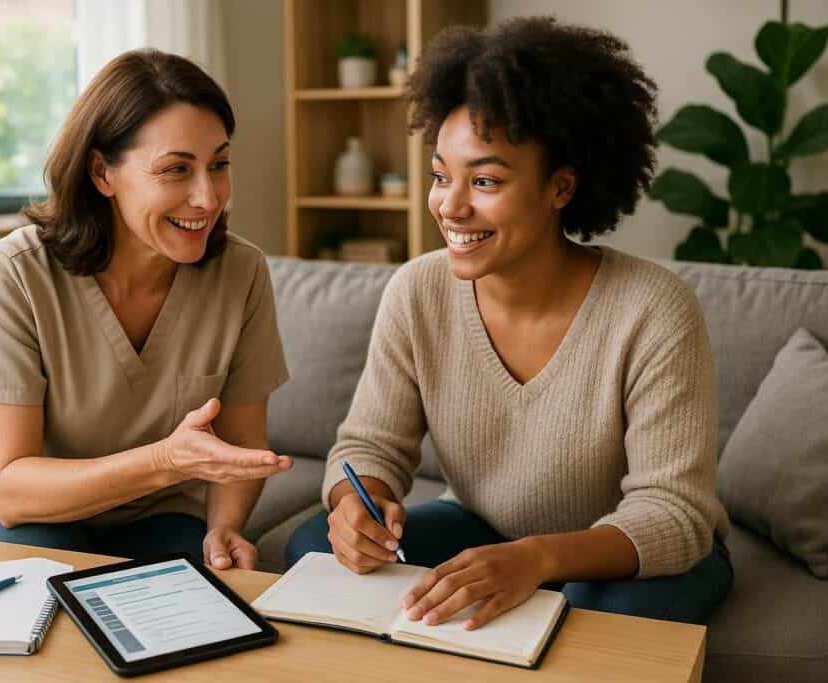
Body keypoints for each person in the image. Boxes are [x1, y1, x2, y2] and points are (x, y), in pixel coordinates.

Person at [286, 17, 733, 628]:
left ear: (561, 187)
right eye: (442, 175)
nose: (450, 205)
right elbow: (369, 446)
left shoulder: (654, 309)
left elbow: (674, 513)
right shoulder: (417, 291)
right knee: (313, 549)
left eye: (486, 180)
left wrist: (537, 558)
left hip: (632, 551)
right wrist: (354, 503)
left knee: (597, 613)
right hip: (486, 527)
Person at [0, 49, 292, 572]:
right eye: (176, 169)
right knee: (64, 577)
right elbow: (9, 490)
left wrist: (224, 527)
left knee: (200, 599)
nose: (208, 197)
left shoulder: (241, 273)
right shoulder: (13, 274)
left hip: (151, 512)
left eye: (219, 165)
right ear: (101, 172)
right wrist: (164, 461)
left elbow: (243, 444)